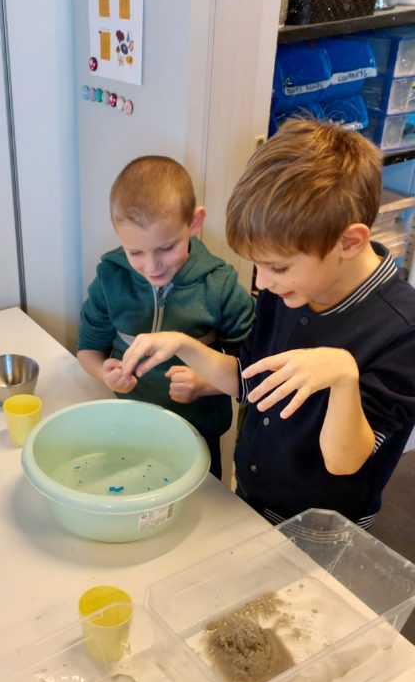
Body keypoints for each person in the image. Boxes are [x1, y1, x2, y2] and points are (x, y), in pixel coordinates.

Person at [120, 118, 415, 527]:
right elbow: (248, 380)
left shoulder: (402, 330)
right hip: (252, 497)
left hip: (323, 527)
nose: (262, 282)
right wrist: (183, 345)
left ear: (349, 242)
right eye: (257, 265)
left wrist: (343, 377)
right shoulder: (288, 289)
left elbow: (346, 460)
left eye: (277, 266)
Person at [76, 155, 255, 478]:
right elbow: (88, 350)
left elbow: (253, 370)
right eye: (135, 252)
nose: (152, 266)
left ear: (194, 223)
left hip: (196, 435)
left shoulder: (220, 286)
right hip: (125, 427)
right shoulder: (110, 278)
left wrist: (205, 384)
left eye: (167, 248)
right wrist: (105, 374)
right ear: (116, 230)